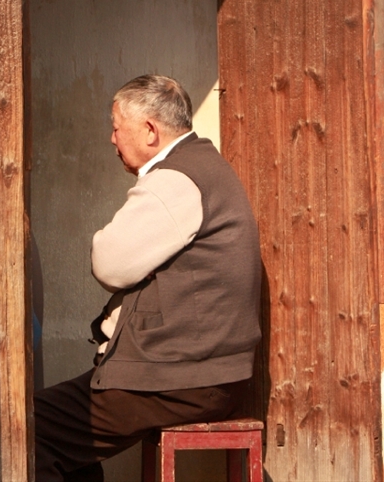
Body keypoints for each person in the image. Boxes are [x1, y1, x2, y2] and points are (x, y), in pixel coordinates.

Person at [34, 74, 262, 482]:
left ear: (150, 131)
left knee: (28, 428)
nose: (112, 139)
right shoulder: (205, 167)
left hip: (179, 379)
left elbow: (109, 263)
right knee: (71, 437)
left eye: (117, 127)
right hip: (203, 374)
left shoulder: (175, 180)